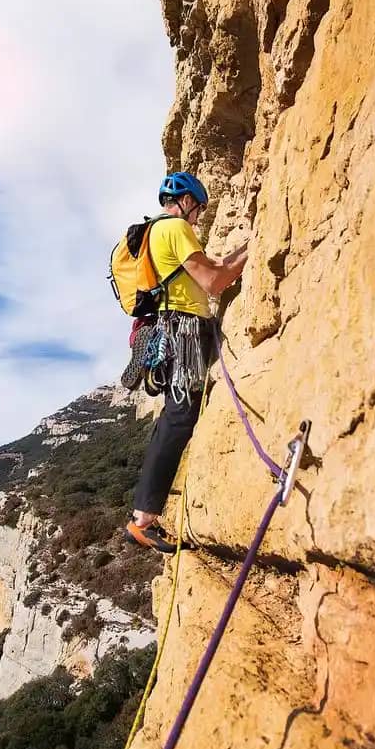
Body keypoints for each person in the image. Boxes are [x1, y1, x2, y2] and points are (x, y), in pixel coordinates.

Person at [125, 171, 249, 554]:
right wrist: (255, 248)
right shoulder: (175, 227)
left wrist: (239, 252)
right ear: (187, 202)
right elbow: (214, 282)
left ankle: (144, 514)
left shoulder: (156, 231)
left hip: (174, 329)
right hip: (185, 332)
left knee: (174, 416)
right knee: (180, 416)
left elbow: (213, 268)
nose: (198, 218)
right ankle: (144, 518)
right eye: (199, 210)